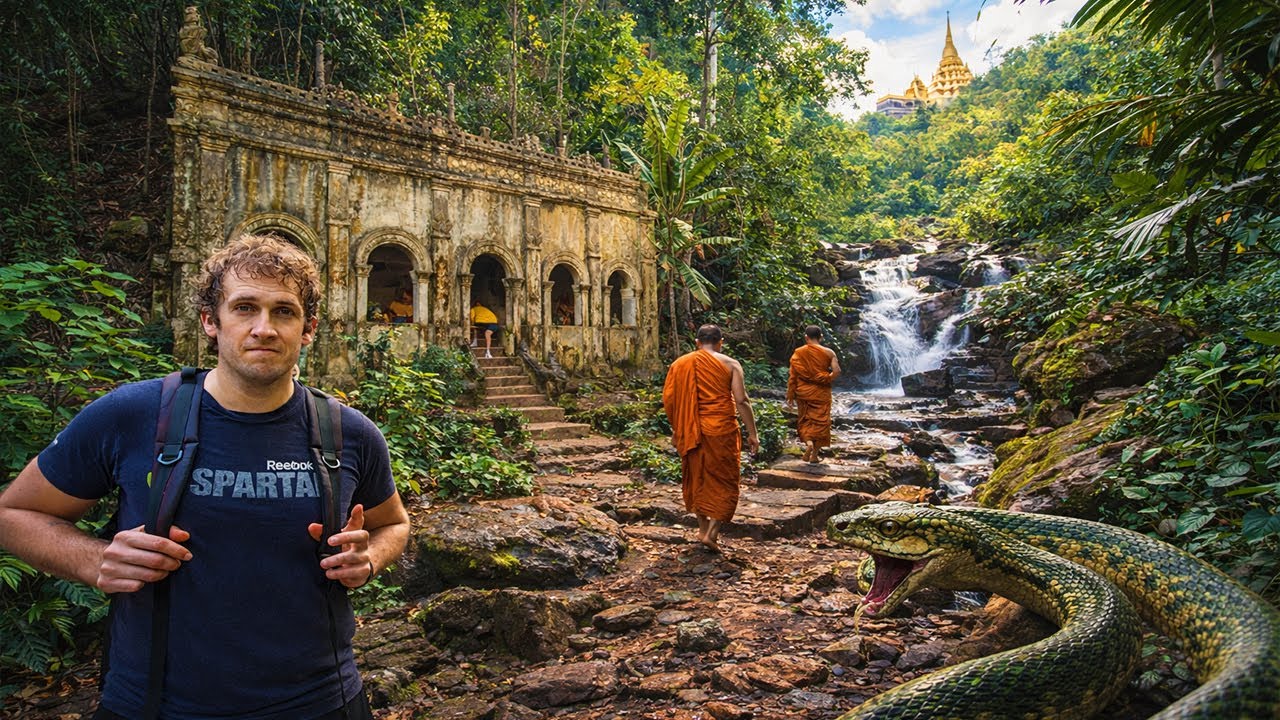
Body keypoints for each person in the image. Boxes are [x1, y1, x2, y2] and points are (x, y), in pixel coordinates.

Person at [0, 234, 410, 720]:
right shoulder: (133, 415)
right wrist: (95, 560)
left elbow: (394, 524)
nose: (264, 328)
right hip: (157, 703)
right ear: (210, 322)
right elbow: (14, 513)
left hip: (323, 701)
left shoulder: (350, 434)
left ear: (308, 329)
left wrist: (369, 558)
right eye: (244, 308)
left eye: (284, 311)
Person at [662, 324, 759, 553]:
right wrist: (753, 434)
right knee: (725, 478)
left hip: (692, 430)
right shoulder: (731, 364)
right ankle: (712, 532)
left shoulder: (680, 364)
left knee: (697, 477)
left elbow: (670, 400)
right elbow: (742, 400)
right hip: (721, 429)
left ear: (697, 342)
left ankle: (702, 528)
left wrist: (678, 428)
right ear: (720, 342)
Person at [786, 324, 841, 463]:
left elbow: (793, 376)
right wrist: (826, 378)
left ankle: (809, 443)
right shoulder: (829, 352)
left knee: (805, 419)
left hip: (803, 392)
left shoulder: (798, 352)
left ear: (806, 337)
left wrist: (791, 394)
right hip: (821, 392)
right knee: (821, 422)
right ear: (821, 337)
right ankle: (815, 455)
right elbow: (837, 371)